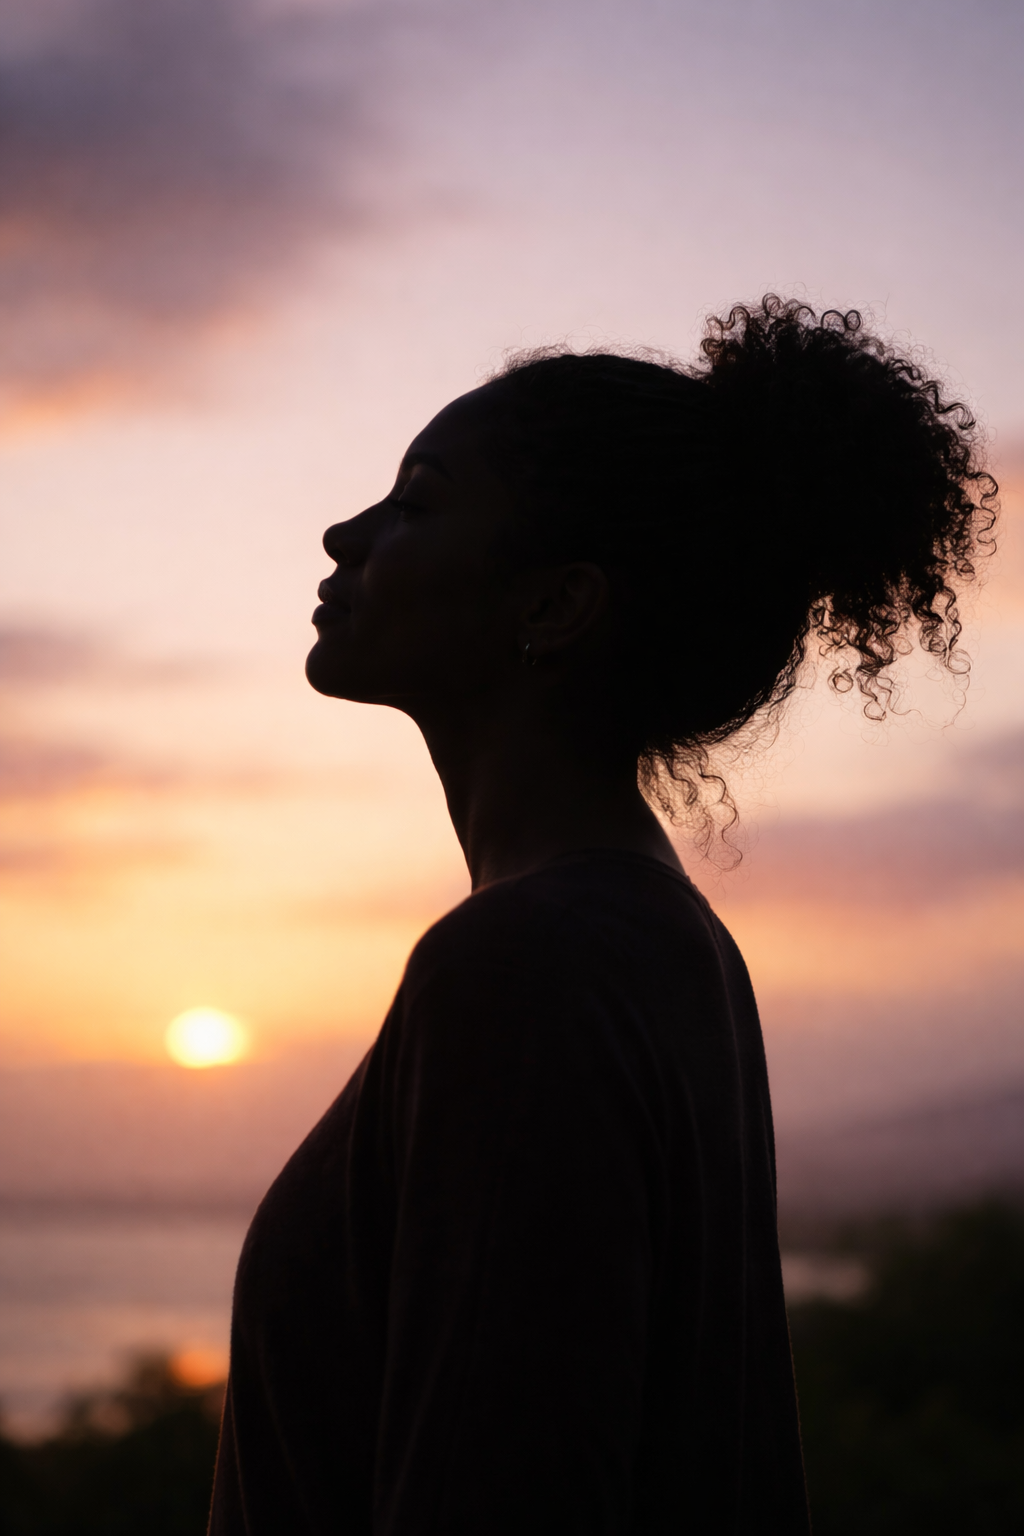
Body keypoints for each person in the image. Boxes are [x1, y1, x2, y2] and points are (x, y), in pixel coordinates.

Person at [208, 297, 996, 1535]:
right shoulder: (654, 946)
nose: (344, 532)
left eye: (414, 502)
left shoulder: (531, 966)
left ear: (555, 605)